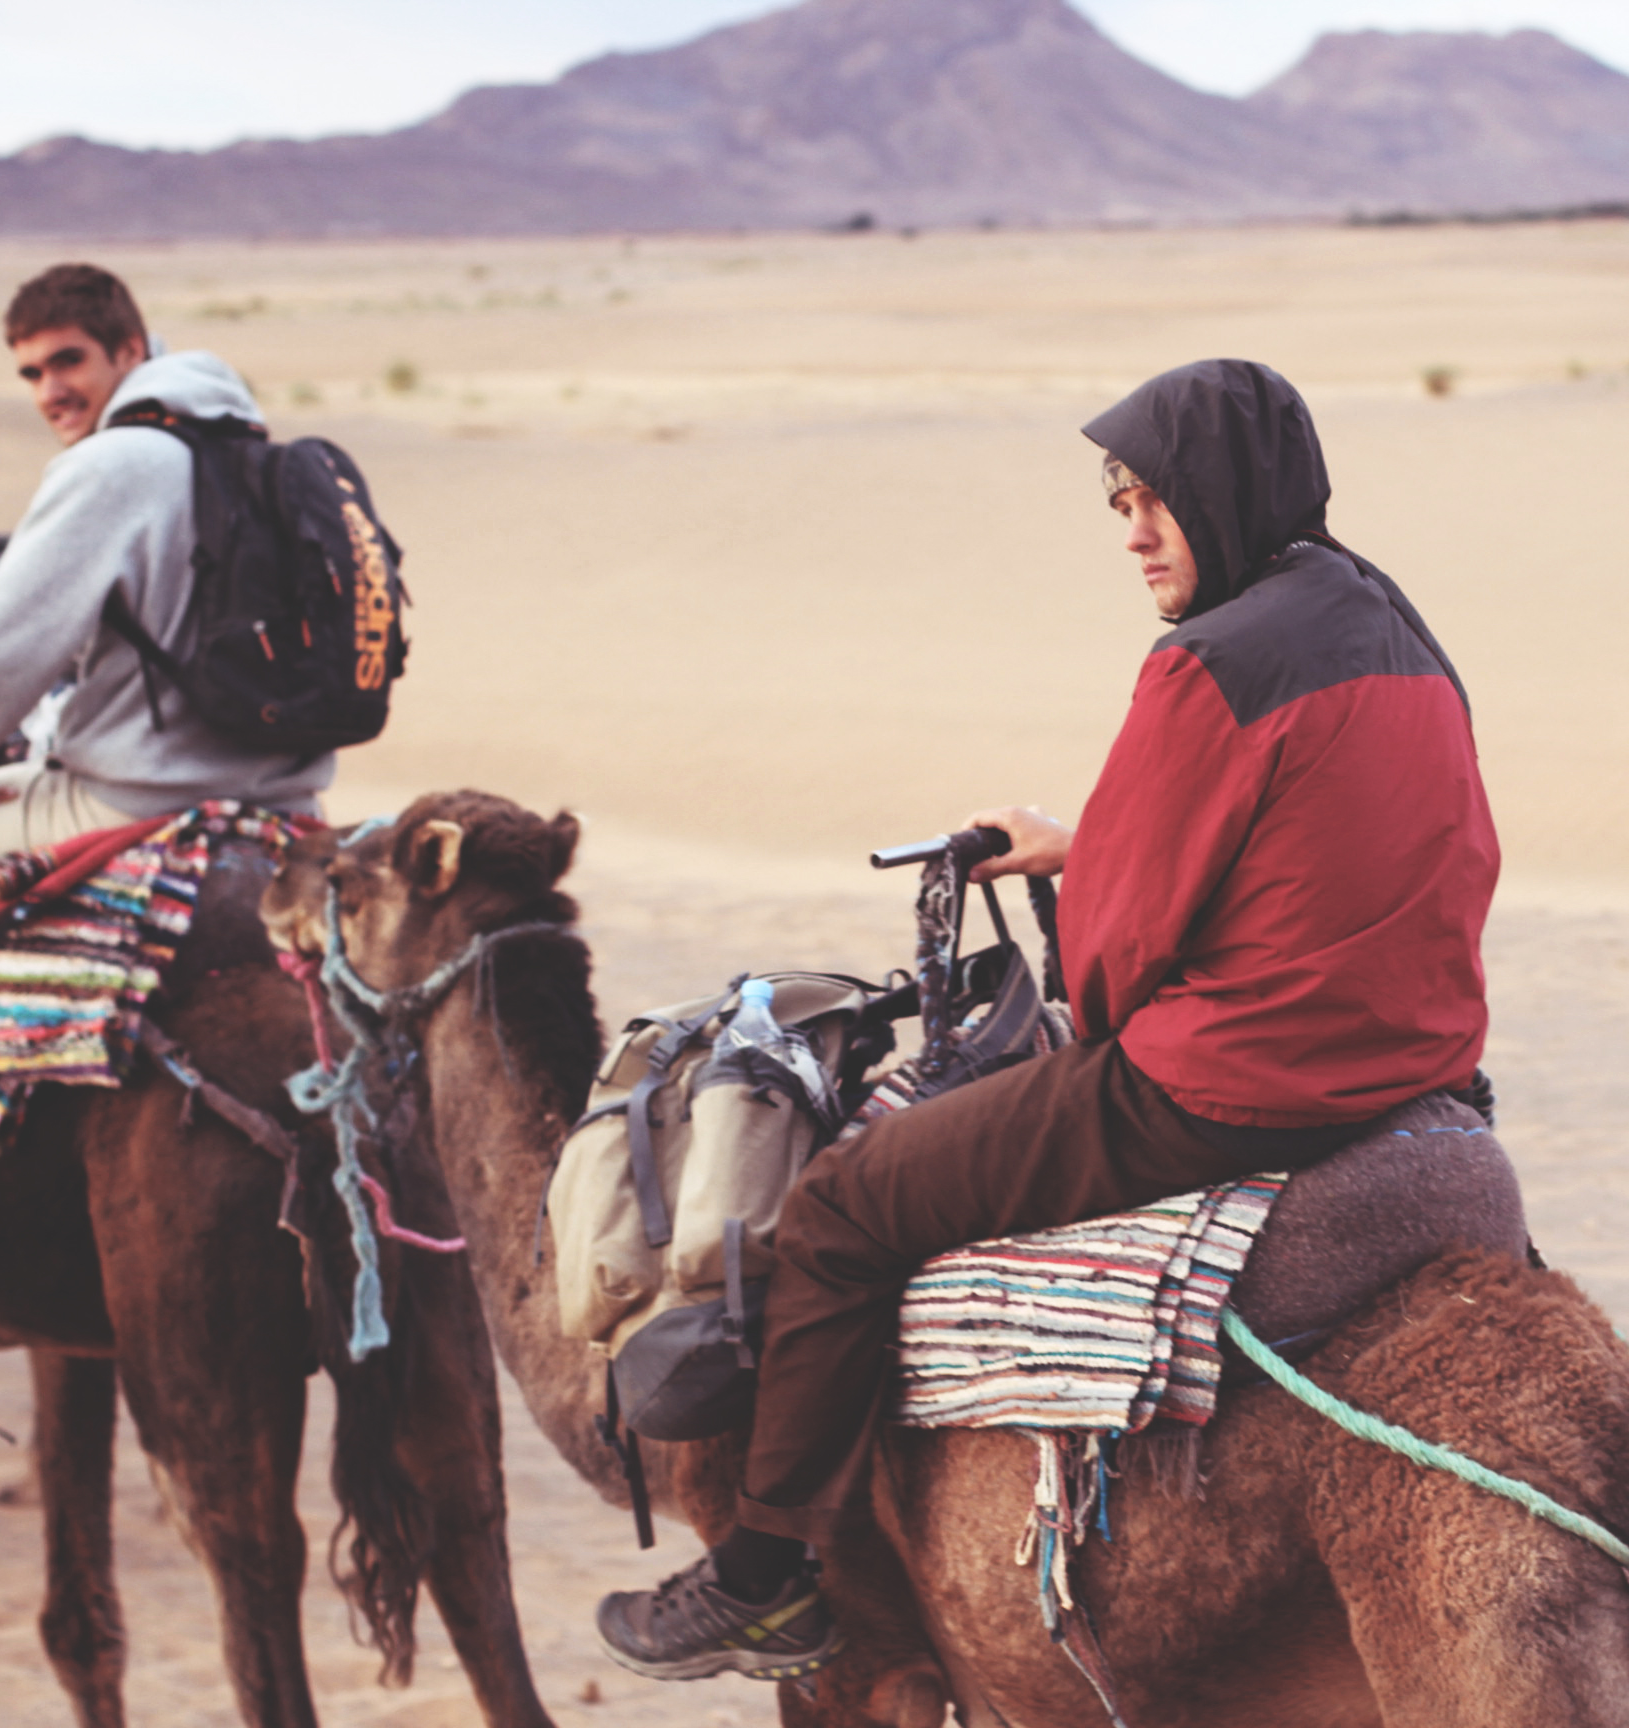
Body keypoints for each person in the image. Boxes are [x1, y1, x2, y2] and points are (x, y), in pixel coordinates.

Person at [594, 358, 1501, 1682]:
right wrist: (1090, 843)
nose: (1133, 531)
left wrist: (1098, 908)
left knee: (849, 1208)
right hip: (1413, 1066)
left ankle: (771, 1572)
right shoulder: (1393, 626)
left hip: (1234, 1083)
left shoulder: (1207, 664)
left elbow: (1123, 965)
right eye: (1118, 499)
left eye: (1155, 498)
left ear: (1225, 495)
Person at [0, 263, 333, 1041]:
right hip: (289, 797)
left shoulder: (114, 464)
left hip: (135, 795)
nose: (49, 389)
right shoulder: (263, 462)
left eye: (68, 360)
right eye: (30, 371)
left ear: (130, 349)